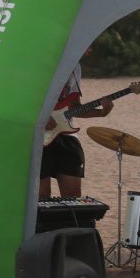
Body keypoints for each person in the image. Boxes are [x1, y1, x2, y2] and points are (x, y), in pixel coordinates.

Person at [39, 62, 114, 199]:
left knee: (72, 196)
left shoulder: (74, 66)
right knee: (40, 196)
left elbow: (74, 108)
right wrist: (40, 116)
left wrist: (102, 113)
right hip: (36, 137)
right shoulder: (38, 60)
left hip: (66, 134)